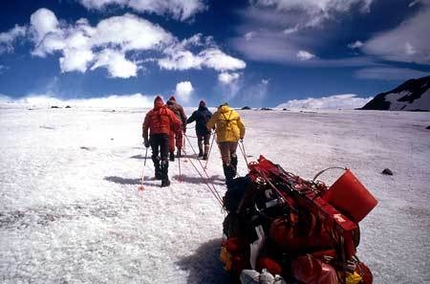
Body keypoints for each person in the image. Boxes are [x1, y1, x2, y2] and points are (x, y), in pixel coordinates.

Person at [142, 96, 182, 187]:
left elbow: (145, 126)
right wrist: (178, 131)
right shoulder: (168, 112)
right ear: (162, 103)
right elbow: (176, 122)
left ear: (154, 103)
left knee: (155, 154)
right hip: (165, 135)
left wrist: (145, 139)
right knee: (164, 156)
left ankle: (157, 172)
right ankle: (164, 179)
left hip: (153, 136)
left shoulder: (150, 113)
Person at [206, 102, 245, 184]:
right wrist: (241, 136)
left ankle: (229, 178)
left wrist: (211, 128)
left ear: (220, 107)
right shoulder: (234, 112)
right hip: (234, 137)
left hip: (223, 139)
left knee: (226, 158)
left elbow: (209, 125)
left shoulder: (218, 113)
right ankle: (233, 171)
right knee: (233, 153)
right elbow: (242, 126)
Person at [166, 96, 187, 161]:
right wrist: (184, 126)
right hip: (178, 123)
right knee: (179, 137)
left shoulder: (165, 106)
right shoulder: (179, 106)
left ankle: (171, 151)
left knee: (171, 137)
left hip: (169, 123)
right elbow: (184, 117)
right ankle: (179, 150)